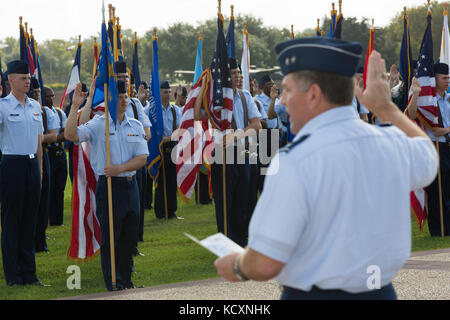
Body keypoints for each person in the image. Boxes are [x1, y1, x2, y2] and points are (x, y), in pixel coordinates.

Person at [214, 38, 439, 300]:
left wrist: (238, 265)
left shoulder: (295, 161)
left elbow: (265, 263)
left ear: (313, 94)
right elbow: (427, 158)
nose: (283, 101)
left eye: (287, 90)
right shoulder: (390, 143)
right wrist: (385, 108)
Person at [65, 81, 148, 291]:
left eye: (125, 98)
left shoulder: (135, 125)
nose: (123, 101)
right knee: (112, 237)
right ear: (110, 100)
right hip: (110, 187)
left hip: (130, 186)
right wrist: (76, 106)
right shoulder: (98, 124)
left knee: (130, 237)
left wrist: (119, 168)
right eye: (119, 98)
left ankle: (127, 281)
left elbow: (142, 158)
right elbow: (70, 136)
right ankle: (114, 283)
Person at [0, 60, 45, 286]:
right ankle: (13, 275)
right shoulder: (2, 107)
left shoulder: (35, 106)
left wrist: (39, 169)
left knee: (29, 221)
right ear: (10, 80)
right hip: (11, 166)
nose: (28, 81)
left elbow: (38, 141)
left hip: (31, 166)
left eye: (28, 77)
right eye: (23, 78)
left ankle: (29, 273)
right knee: (12, 221)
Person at [210, 58, 262, 247]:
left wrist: (235, 136)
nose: (238, 76)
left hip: (242, 153)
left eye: (239, 73)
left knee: (244, 198)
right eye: (233, 73)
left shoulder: (244, 96)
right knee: (225, 201)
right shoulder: (215, 98)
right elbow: (199, 115)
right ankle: (225, 240)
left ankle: (241, 240)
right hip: (222, 155)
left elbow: (256, 125)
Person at [406, 62, 450, 236]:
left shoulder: (447, 98)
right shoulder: (429, 102)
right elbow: (410, 114)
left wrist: (446, 130)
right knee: (437, 191)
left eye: (448, 78)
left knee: (447, 189)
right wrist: (415, 95)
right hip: (434, 146)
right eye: (444, 78)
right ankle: (440, 229)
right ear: (435, 79)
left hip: (447, 144)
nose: (447, 81)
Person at [35, 81, 58, 253]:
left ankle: (40, 241)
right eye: (33, 92)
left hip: (43, 155)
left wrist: (36, 138)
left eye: (38, 91)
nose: (36, 95)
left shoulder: (45, 112)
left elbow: (53, 136)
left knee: (43, 200)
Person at [154, 80, 183, 220]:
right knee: (161, 181)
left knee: (172, 180)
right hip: (159, 149)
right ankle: (160, 212)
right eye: (165, 92)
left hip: (172, 147)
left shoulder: (175, 110)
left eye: (169, 92)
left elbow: (179, 129)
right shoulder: (152, 110)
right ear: (159, 93)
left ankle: (171, 211)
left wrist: (168, 138)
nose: (168, 94)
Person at [45, 86, 68, 227]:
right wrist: (53, 138)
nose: (51, 98)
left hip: (59, 153)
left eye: (53, 96)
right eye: (48, 96)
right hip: (47, 153)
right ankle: (46, 218)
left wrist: (53, 138)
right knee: (49, 187)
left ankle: (57, 220)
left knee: (60, 187)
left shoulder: (59, 113)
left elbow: (65, 133)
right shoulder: (42, 113)